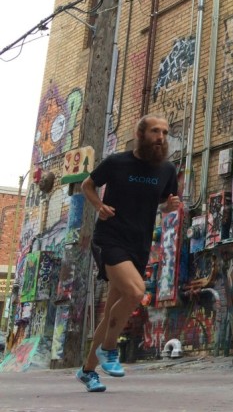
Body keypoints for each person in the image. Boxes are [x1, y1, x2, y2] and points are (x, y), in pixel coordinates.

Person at [75, 114, 181, 393]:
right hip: (110, 238)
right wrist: (99, 206)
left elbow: (163, 203)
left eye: (165, 132)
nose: (161, 137)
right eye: (155, 131)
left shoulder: (167, 170)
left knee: (112, 310)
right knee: (136, 292)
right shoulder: (116, 162)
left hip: (139, 245)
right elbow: (88, 185)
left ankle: (87, 371)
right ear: (141, 134)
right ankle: (109, 349)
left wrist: (168, 208)